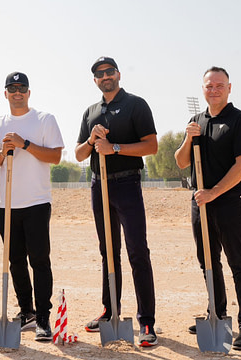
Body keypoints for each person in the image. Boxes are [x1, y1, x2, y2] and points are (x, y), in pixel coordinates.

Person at [74, 56, 159, 347]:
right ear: (95, 79)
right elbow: (79, 154)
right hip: (100, 187)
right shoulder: (90, 112)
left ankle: (146, 320)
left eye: (109, 71)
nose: (105, 76)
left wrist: (115, 148)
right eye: (99, 73)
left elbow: (152, 145)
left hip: (127, 183)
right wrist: (91, 141)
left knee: (137, 252)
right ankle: (110, 311)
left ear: (118, 74)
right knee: (108, 252)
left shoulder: (136, 104)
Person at [174, 66, 241, 350]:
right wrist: (188, 137)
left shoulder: (240, 120)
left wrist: (215, 192)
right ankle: (217, 314)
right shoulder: (196, 120)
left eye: (219, 85)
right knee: (208, 262)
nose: (214, 90)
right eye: (209, 86)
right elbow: (181, 161)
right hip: (201, 204)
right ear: (203, 89)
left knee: (239, 264)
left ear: (229, 88)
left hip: (229, 203)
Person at [0, 72, 64, 341]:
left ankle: (43, 317)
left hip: (36, 202)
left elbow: (54, 156)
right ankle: (26, 311)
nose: (17, 92)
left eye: (22, 88)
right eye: (12, 88)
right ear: (5, 93)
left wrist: (24, 144)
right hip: (6, 205)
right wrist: (3, 152)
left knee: (39, 261)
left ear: (29, 92)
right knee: (15, 261)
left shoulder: (44, 120)